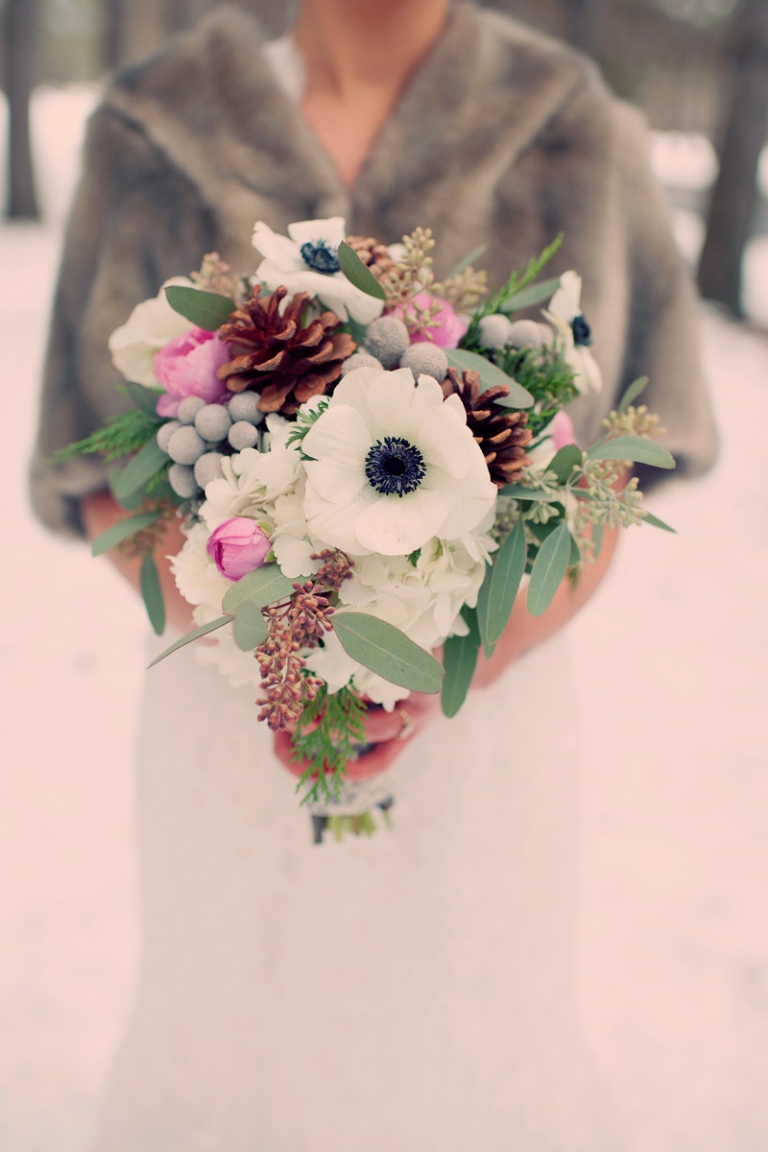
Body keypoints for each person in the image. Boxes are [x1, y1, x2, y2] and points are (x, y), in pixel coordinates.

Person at [30, 1, 717, 1148]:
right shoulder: (153, 125)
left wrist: (466, 656)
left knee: (466, 1051)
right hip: (226, 721)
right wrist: (262, 640)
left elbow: (624, 468)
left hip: (482, 722)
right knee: (231, 1039)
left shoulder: (569, 123)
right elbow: (90, 466)